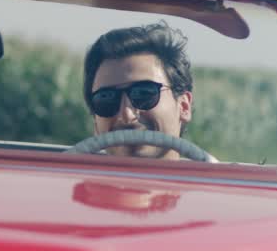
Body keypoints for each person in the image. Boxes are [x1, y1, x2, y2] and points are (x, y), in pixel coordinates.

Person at [81, 22, 194, 160]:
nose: (127, 115)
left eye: (143, 93)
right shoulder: (63, 181)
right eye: (106, 99)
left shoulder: (215, 181)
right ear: (96, 123)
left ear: (183, 106)